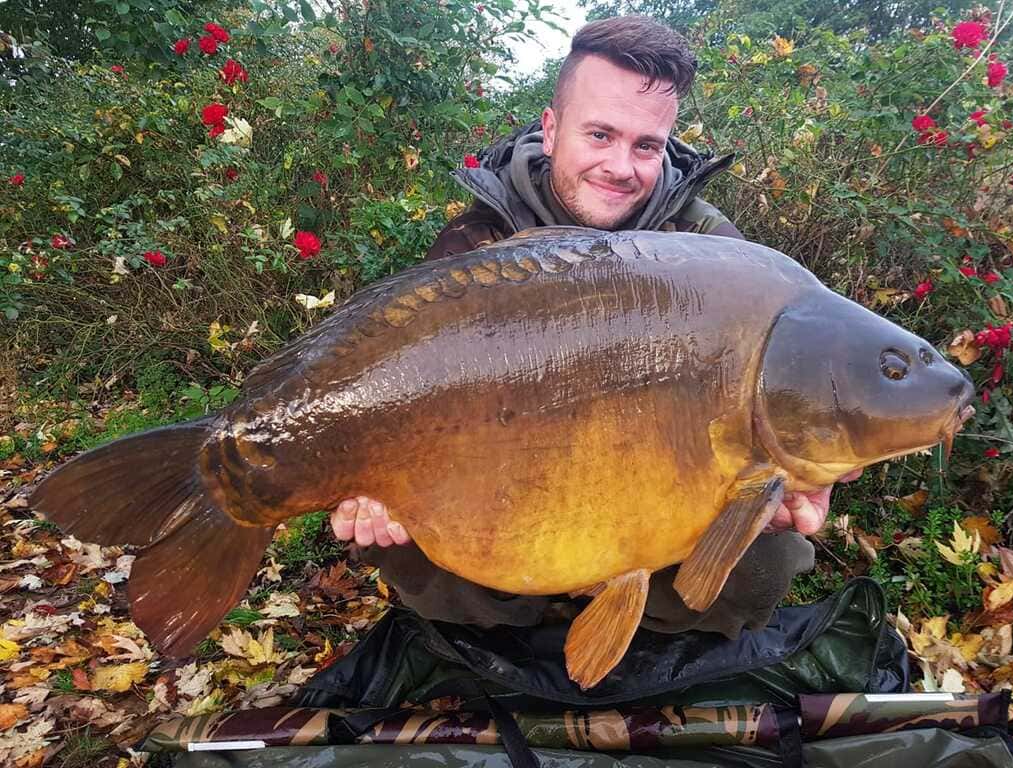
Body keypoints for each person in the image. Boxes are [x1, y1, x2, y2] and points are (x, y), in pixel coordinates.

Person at [329, 16, 861, 636]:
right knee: (405, 540)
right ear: (552, 129)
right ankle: (505, 636)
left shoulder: (710, 249)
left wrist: (801, 464)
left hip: (656, 486)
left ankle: (652, 637)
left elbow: (770, 392)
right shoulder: (478, 242)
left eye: (646, 146)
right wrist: (372, 480)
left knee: (767, 553)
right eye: (600, 134)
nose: (620, 165)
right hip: (509, 482)